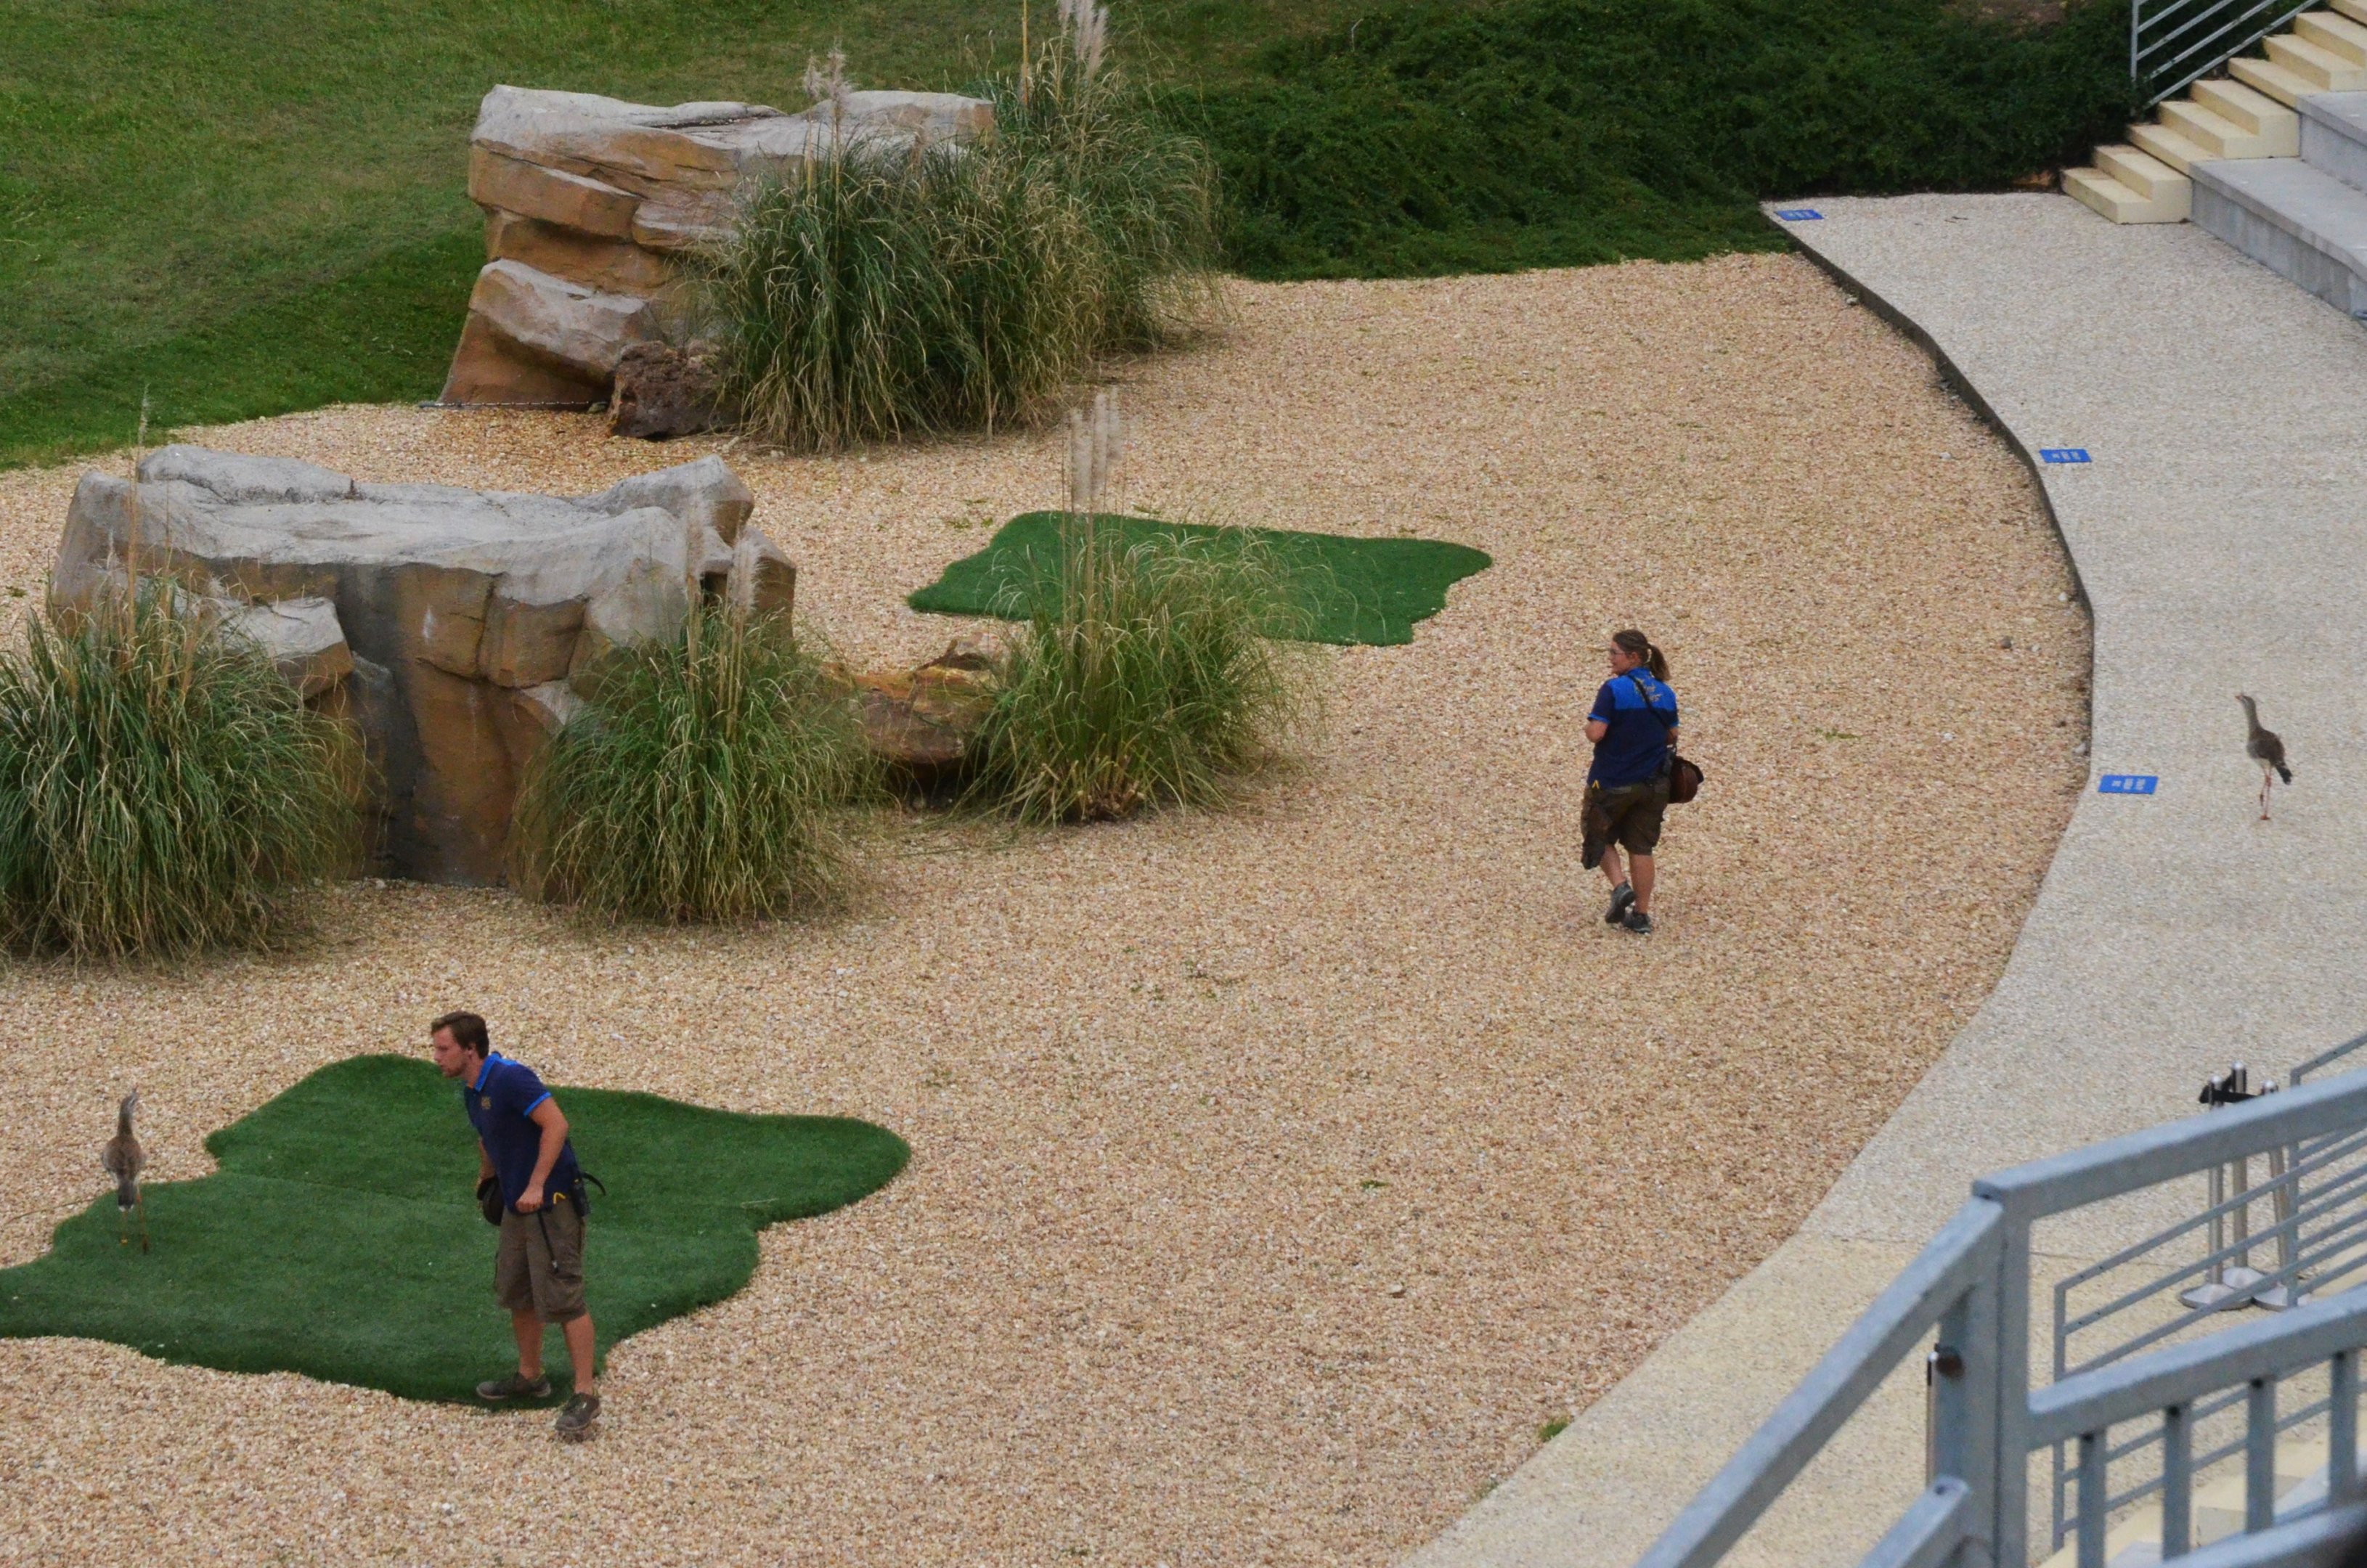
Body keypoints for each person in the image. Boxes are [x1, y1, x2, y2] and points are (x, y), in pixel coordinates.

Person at [429, 1010, 601, 1441]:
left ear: (471, 1050)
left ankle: (585, 1393)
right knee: (518, 1290)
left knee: (564, 1296)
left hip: (551, 1205)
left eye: (443, 1049)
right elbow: (487, 1137)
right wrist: (487, 1178)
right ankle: (530, 1376)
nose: (436, 1057)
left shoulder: (511, 1078)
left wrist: (537, 1184)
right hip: (516, 1206)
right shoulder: (473, 1090)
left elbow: (556, 1124)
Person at [1584, 629, 1680, 936]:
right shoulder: (1665, 692)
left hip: (1613, 780)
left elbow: (1596, 733)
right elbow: (1672, 735)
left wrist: (1590, 728)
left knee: (1597, 833)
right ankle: (1641, 915)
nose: (1610, 659)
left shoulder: (1614, 689)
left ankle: (1620, 887)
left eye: (1614, 653)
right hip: (1654, 784)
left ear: (1633, 657)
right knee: (1641, 847)